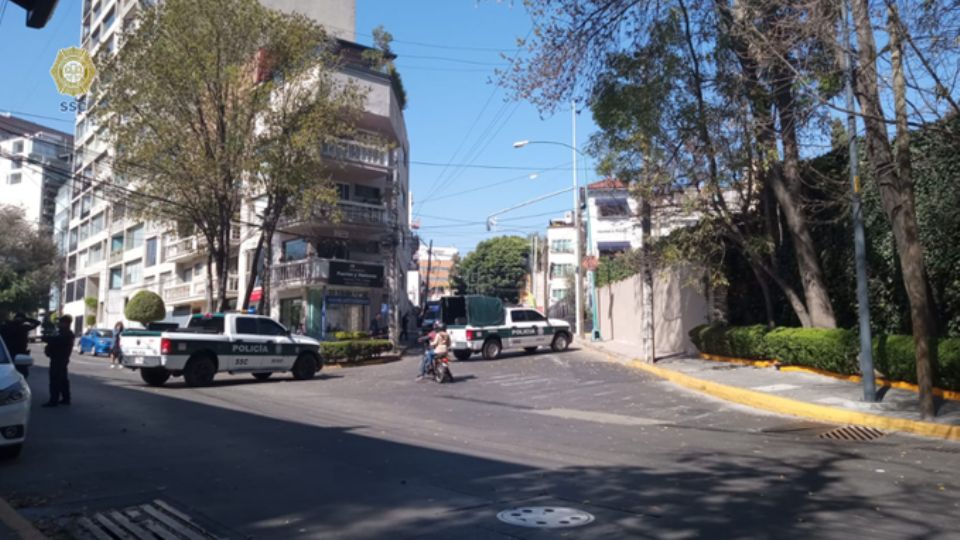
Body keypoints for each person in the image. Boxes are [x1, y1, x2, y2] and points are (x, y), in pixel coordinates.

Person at [41, 314, 75, 407]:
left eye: (61, 322)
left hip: (59, 359)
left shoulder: (66, 334)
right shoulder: (62, 333)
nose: (59, 324)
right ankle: (65, 398)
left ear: (66, 323)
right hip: (59, 359)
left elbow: (56, 341)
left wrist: (47, 340)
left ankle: (54, 400)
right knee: (62, 379)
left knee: (55, 379)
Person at [0, 312, 41, 379]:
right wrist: (26, 319)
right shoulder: (11, 327)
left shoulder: (22, 328)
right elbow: (37, 323)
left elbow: (38, 323)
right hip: (9, 354)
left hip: (17, 354)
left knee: (22, 375)